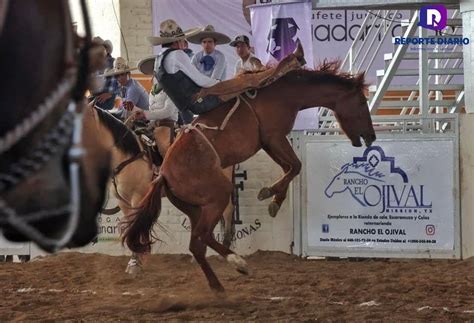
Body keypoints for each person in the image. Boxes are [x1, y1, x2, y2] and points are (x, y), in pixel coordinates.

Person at [147, 20, 224, 120]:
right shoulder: (177, 55)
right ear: (177, 42)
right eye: (182, 40)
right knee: (229, 96)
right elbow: (200, 80)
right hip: (197, 103)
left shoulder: (158, 59)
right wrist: (219, 83)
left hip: (183, 107)